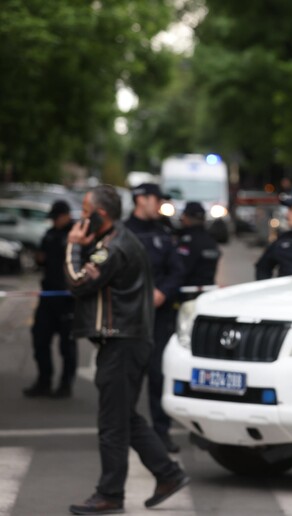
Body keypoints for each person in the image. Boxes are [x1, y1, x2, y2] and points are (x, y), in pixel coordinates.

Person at [65, 184, 189, 515]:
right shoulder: (115, 240)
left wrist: (73, 246)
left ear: (100, 215)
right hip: (127, 339)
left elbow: (78, 281)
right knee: (124, 417)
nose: (81, 219)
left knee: (112, 423)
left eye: (86, 213)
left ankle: (110, 494)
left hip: (123, 341)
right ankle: (168, 474)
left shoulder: (113, 247)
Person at [124, 183, 184, 453]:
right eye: (156, 200)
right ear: (141, 200)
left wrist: (163, 292)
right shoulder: (123, 233)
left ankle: (161, 432)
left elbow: (177, 271)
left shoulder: (163, 233)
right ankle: (126, 430)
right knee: (128, 377)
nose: (160, 205)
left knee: (158, 375)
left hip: (159, 317)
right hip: (130, 318)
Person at [23, 200, 77, 398]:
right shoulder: (50, 234)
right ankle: (43, 381)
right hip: (48, 295)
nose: (54, 221)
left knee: (67, 346)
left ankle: (65, 385)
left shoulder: (76, 234)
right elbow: (42, 258)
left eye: (57, 218)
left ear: (66, 215)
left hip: (67, 299)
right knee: (40, 339)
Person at [177, 201, 221, 302]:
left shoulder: (187, 240)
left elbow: (181, 268)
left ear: (187, 217)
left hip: (186, 293)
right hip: (208, 292)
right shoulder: (210, 239)